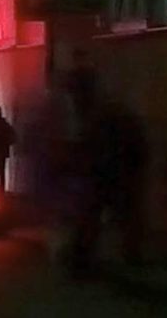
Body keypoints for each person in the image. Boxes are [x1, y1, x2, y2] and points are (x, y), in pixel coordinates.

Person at [63, 52, 148, 274]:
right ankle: (126, 257)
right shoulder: (107, 112)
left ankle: (86, 259)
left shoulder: (99, 116)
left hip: (108, 173)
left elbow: (90, 147)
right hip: (114, 173)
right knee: (119, 217)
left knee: (96, 216)